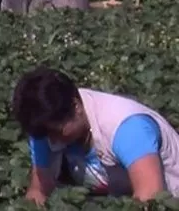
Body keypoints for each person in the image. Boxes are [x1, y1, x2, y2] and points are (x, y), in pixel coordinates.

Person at [11, 66, 179, 204]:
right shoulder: (44, 125)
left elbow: (149, 198)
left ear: (76, 106)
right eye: (42, 134)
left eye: (57, 131)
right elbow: (39, 191)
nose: (51, 141)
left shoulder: (127, 128)